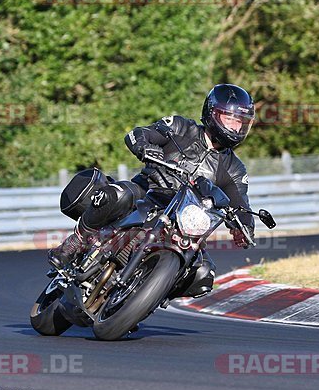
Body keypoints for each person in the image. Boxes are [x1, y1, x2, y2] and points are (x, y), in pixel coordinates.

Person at [48, 83, 256, 269]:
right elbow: (139, 134)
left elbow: (241, 204)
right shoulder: (181, 127)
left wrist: (245, 227)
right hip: (147, 193)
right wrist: (144, 147)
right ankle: (75, 241)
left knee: (202, 272)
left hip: (182, 222)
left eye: (239, 122)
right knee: (120, 195)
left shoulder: (234, 169)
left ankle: (149, 290)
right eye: (228, 118)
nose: (234, 127)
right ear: (212, 113)